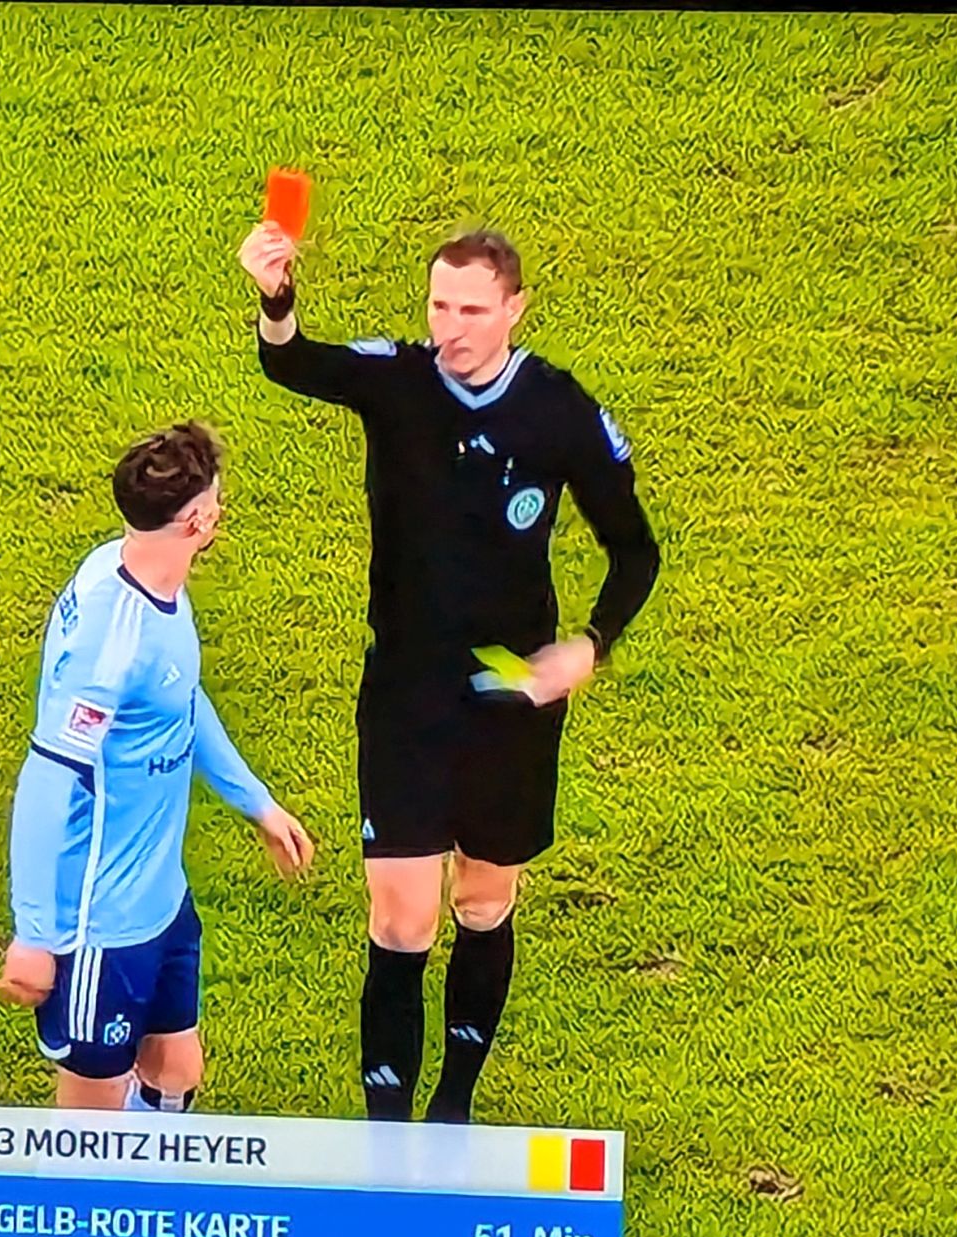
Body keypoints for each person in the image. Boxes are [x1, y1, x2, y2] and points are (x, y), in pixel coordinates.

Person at [239, 221, 661, 1126]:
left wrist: (591, 644)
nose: (453, 327)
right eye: (440, 306)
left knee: (483, 898)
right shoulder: (399, 381)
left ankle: (454, 1108)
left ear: (514, 308)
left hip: (509, 689)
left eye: (473, 309)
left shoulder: (557, 411)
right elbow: (294, 364)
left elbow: (635, 551)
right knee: (400, 921)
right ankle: (387, 1133)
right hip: (406, 686)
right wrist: (276, 296)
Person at [0, 422, 315, 1237]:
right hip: (99, 931)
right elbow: (46, 778)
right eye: (214, 498)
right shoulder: (115, 642)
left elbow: (184, 695)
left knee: (176, 1073)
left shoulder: (135, 572)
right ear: (199, 519)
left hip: (161, 904)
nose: (221, 507)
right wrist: (34, 933)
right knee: (80, 1147)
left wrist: (254, 802)